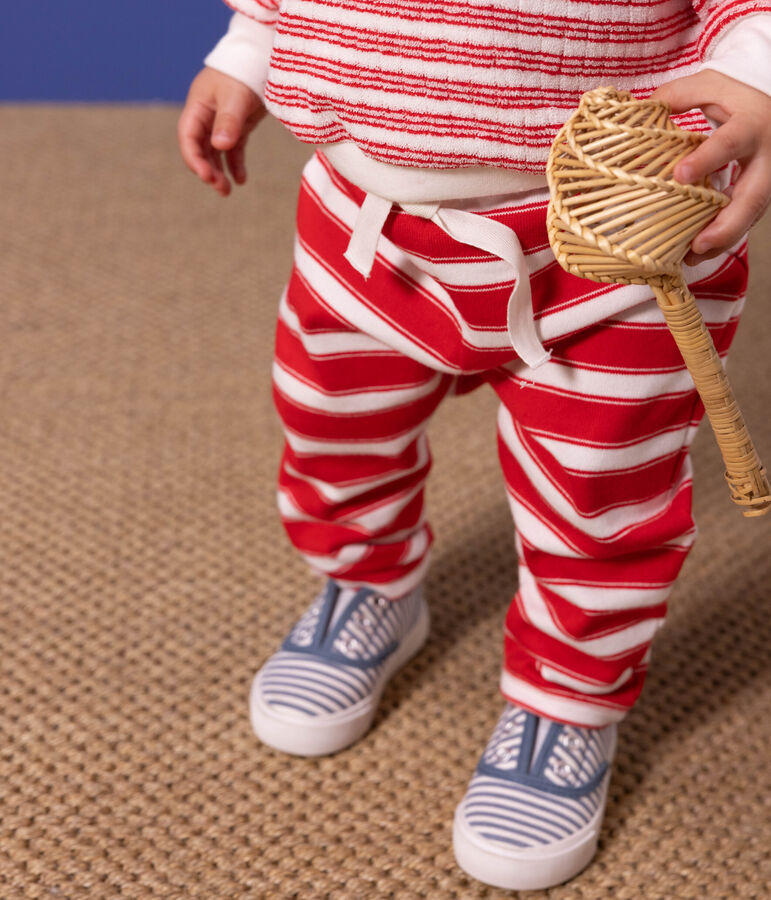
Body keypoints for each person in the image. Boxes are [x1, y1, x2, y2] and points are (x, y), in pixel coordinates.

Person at [178, 2, 771, 890]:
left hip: (614, 232)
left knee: (597, 492)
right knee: (333, 421)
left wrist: (759, 68)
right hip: (365, 219)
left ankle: (566, 697)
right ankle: (367, 577)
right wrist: (255, 45)